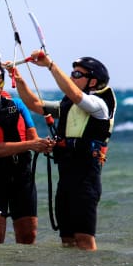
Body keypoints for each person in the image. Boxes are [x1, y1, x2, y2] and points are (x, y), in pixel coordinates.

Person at [11, 52, 116, 251]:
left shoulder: (99, 105)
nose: (72, 77)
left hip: (86, 178)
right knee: (67, 240)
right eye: (72, 73)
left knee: (84, 239)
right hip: (66, 178)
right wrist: (17, 78)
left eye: (78, 75)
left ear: (93, 81)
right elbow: (35, 104)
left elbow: (77, 96)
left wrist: (50, 65)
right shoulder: (67, 105)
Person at [0, 57, 54, 245]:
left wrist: (43, 144)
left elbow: (33, 137)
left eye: (0, 84)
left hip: (22, 177)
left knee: (27, 237)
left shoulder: (18, 105)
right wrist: (31, 145)